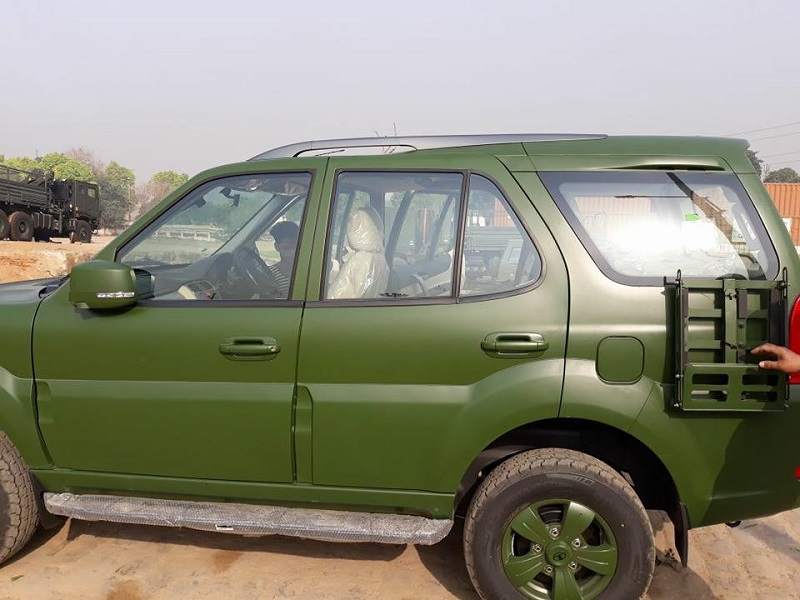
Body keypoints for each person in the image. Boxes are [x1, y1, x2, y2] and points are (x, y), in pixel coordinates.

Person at [267, 221, 300, 298]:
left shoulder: (309, 272)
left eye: (296, 247)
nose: (292, 253)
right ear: (277, 247)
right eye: (286, 248)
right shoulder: (270, 274)